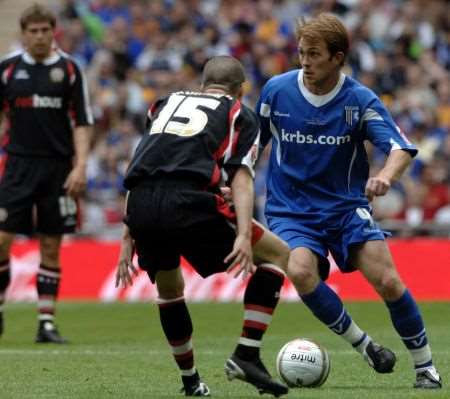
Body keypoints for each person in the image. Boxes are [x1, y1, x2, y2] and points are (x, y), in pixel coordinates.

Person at [256, 14, 442, 389]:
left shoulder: (359, 99)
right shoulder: (276, 92)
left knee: (388, 281)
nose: (305, 62)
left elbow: (400, 148)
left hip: (344, 208)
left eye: (314, 54)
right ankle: (366, 346)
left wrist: (385, 177)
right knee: (301, 270)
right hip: (290, 210)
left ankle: (426, 368)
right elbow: (251, 146)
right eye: (301, 53)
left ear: (338, 58)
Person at [115, 55, 289, 397]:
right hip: (188, 202)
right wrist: (242, 233)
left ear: (201, 85)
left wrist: (127, 237)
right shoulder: (239, 113)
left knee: (169, 289)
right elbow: (241, 176)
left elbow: (144, 166)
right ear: (240, 90)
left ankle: (191, 381)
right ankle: (247, 354)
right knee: (278, 256)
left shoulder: (164, 104)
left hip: (142, 205)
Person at [0, 4, 93, 343]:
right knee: (1, 240)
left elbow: (83, 122)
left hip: (58, 169)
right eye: (33, 31)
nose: (39, 36)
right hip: (17, 167)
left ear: (53, 31)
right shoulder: (7, 70)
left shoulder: (70, 70)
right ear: (23, 34)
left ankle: (47, 323)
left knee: (51, 245)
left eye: (44, 30)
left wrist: (81, 165)